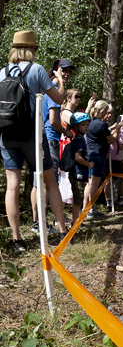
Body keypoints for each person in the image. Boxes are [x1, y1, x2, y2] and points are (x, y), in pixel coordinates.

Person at [0, 31, 69, 253]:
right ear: (29, 50)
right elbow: (59, 99)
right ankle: (61, 230)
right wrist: (58, 80)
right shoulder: (37, 69)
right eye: (34, 48)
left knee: (12, 186)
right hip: (31, 135)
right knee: (50, 182)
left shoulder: (1, 72)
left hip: (6, 135)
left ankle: (17, 239)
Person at [84, 100, 117, 219]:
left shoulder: (91, 122)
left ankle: (86, 208)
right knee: (94, 183)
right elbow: (112, 139)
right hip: (98, 155)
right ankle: (89, 209)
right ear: (102, 111)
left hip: (91, 153)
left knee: (89, 183)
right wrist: (117, 129)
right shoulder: (101, 124)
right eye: (107, 112)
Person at [66, 112, 93, 222]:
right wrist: (89, 164)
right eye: (83, 125)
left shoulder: (81, 138)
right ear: (76, 126)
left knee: (79, 197)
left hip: (81, 172)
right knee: (78, 199)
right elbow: (78, 157)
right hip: (77, 173)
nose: (86, 127)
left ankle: (76, 221)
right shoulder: (78, 139)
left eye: (87, 124)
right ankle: (75, 222)